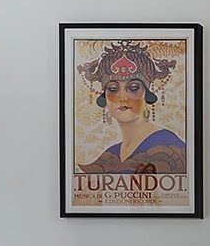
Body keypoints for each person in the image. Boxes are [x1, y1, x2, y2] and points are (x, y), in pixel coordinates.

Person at [76, 41, 187, 174]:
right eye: (113, 89)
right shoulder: (111, 153)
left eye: (133, 88)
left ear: (147, 94)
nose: (122, 97)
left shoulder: (168, 146)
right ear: (104, 97)